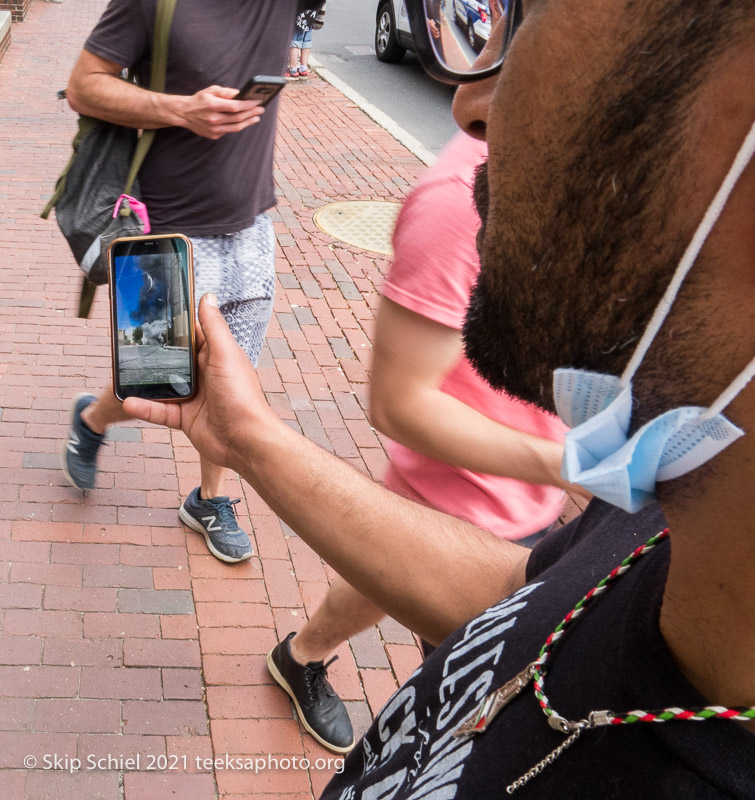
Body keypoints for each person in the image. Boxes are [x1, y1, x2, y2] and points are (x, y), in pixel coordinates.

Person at [124, 0, 755, 796]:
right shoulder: (662, 510)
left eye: (526, 19)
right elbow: (526, 604)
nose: (469, 106)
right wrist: (244, 435)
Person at [265, 131, 572, 755]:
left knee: (385, 571)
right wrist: (571, 464)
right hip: (473, 504)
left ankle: (300, 655)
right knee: (478, 726)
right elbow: (398, 401)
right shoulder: (463, 200)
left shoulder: (593, 184)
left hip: (529, 496)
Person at [61, 0, 322, 564]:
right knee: (157, 376)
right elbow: (84, 87)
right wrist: (180, 110)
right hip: (162, 226)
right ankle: (92, 418)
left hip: (250, 222)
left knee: (233, 379)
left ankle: (210, 499)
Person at [286, 3, 325, 82]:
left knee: (295, 38)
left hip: (300, 9)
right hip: (313, 10)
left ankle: (293, 70)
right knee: (306, 38)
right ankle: (303, 69)